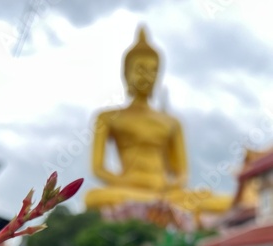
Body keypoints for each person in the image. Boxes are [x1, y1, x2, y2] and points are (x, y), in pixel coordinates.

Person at [85, 26, 232, 218]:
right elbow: (98, 168)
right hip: (128, 189)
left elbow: (182, 173)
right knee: (93, 197)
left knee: (223, 201)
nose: (147, 76)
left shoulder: (172, 122)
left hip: (165, 192)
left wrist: (170, 184)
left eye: (153, 71)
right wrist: (128, 181)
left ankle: (161, 207)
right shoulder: (107, 117)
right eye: (140, 69)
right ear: (126, 73)